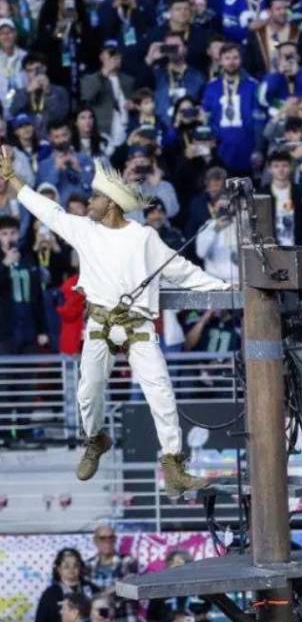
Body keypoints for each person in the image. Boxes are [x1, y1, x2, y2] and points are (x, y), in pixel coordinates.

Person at [0, 147, 230, 495]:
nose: (89, 202)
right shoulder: (85, 230)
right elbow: (48, 210)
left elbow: (183, 271)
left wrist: (226, 288)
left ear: (110, 204)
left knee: (162, 394)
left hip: (138, 327)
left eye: (95, 197)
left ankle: (174, 466)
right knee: (87, 392)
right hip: (100, 325)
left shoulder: (143, 237)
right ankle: (95, 439)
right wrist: (13, 179)